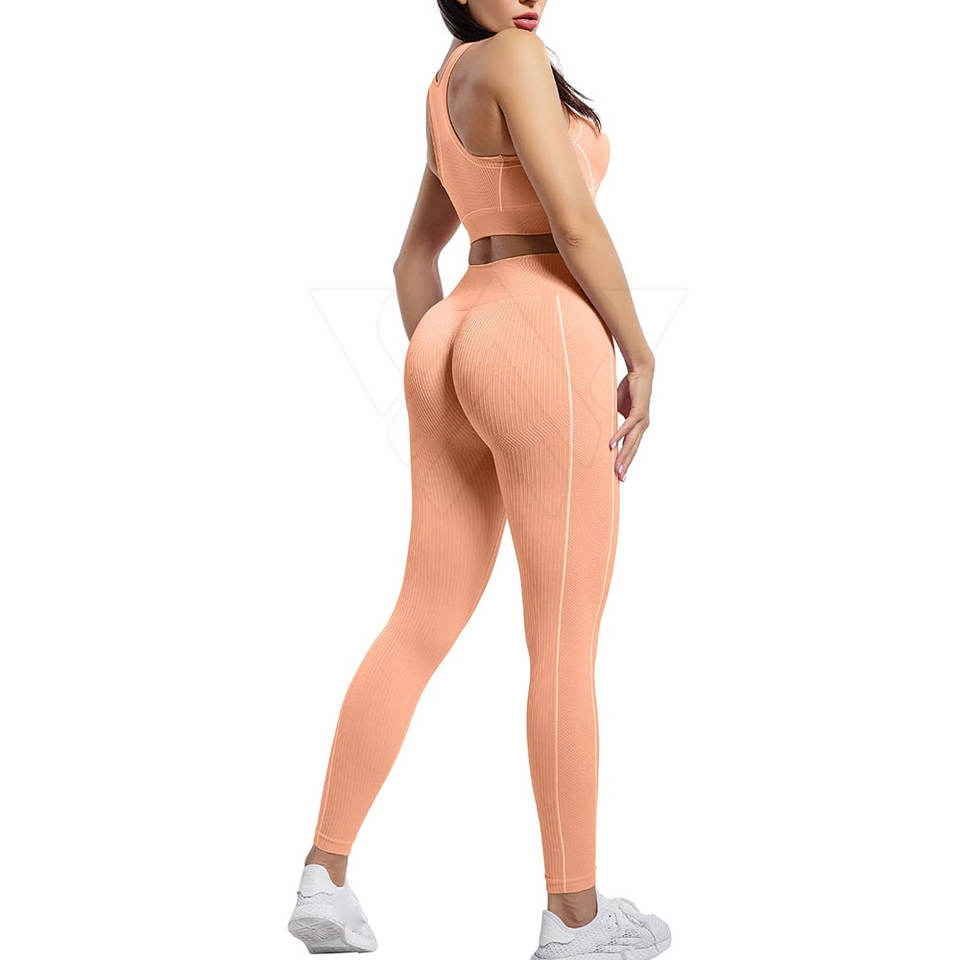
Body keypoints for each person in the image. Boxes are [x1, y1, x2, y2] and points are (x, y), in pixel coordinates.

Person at [287, 3, 670, 957]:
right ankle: (575, 916)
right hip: (538, 327)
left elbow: (413, 257)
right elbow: (573, 223)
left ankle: (324, 875)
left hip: (452, 328)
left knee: (420, 617)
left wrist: (453, 378)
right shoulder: (512, 56)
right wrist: (641, 352)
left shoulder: (445, 85)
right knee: (562, 641)